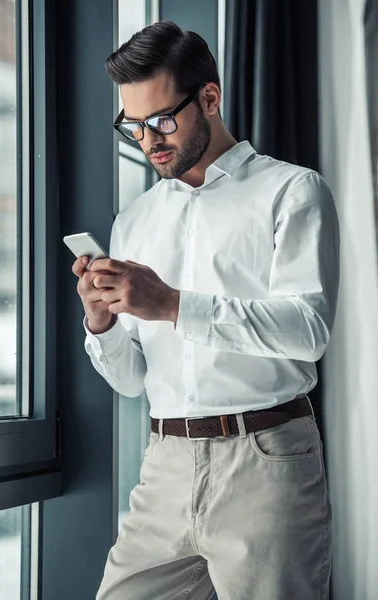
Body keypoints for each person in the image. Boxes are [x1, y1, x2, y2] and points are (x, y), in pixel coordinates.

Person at [72, 20, 340, 600]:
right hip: (165, 465)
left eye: (162, 120)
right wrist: (103, 324)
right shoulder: (135, 220)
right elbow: (131, 379)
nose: (149, 141)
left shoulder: (293, 193)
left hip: (266, 463)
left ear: (210, 99)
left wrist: (171, 304)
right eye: (134, 127)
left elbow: (309, 330)